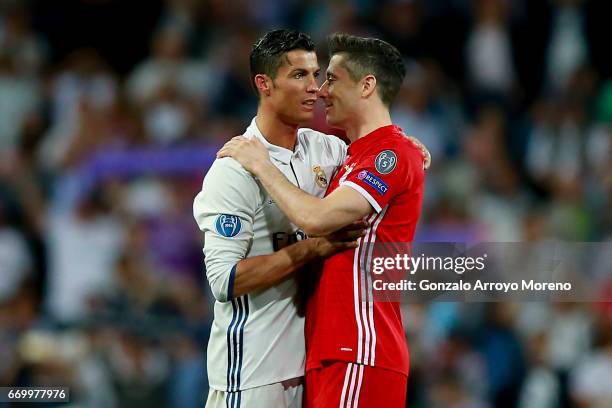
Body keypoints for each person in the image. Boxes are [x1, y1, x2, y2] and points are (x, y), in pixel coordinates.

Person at [218, 33, 430, 407]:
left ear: (367, 85)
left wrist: (261, 164)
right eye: (310, 77)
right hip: (328, 351)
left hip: (359, 346)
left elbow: (316, 219)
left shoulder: (388, 153)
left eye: (330, 78)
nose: (320, 90)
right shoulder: (347, 154)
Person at [193, 29, 364, 408]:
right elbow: (224, 280)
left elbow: (376, 165)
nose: (315, 88)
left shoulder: (328, 148)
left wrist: (401, 145)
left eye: (316, 75)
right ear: (264, 84)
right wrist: (311, 249)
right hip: (253, 372)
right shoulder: (234, 170)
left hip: (313, 363)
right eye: (299, 75)